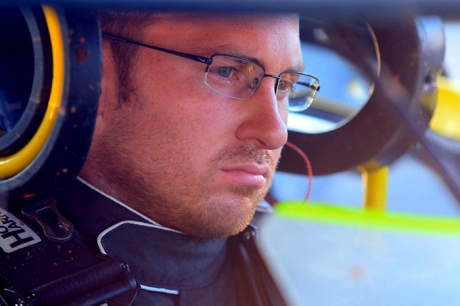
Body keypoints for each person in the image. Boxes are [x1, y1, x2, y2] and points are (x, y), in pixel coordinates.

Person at [1, 9, 319, 306]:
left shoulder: (318, 272)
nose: (275, 133)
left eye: (285, 87)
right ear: (89, 77)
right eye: (227, 71)